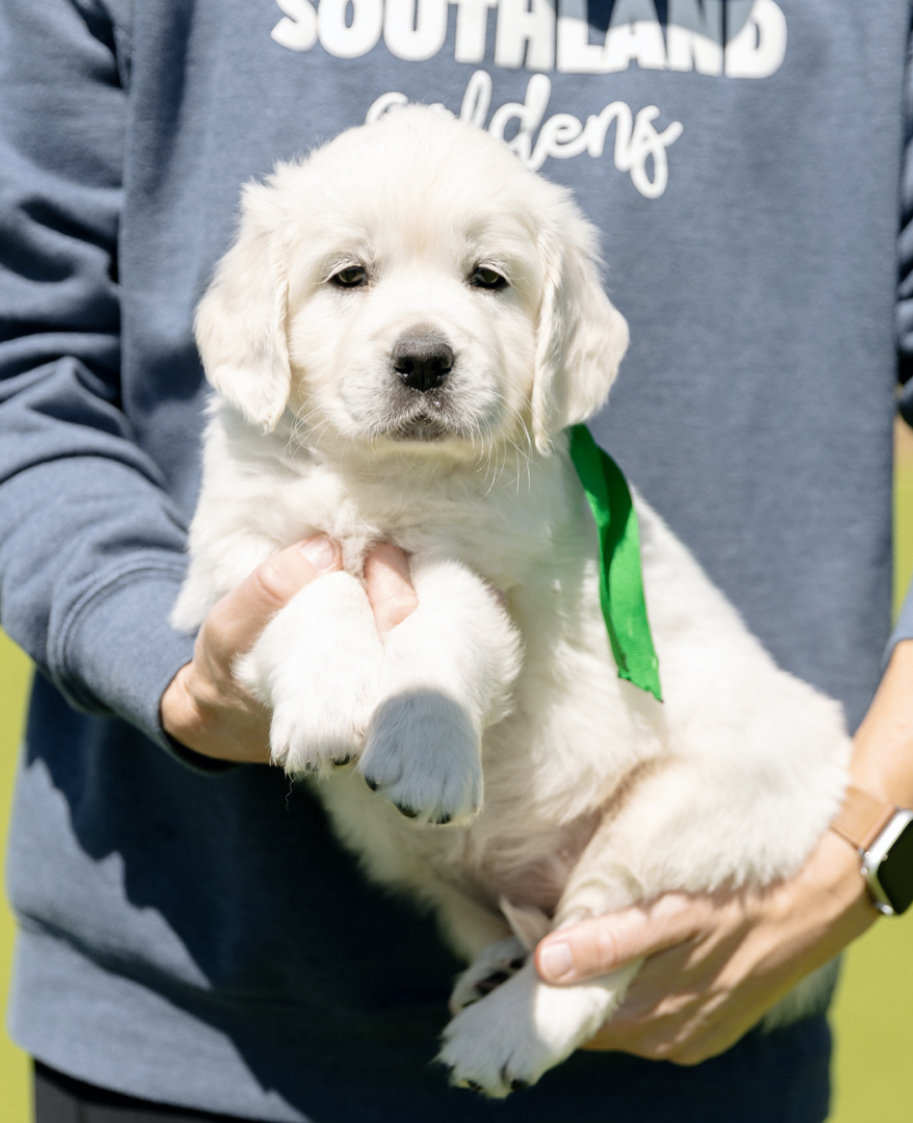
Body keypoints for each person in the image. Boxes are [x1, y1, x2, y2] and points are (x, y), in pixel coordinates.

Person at [1, 1, 911, 1120]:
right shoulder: (259, 434)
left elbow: (465, 606)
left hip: (711, 994)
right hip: (185, 1025)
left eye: (488, 278)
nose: (424, 341)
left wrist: (868, 841)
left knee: (734, 759)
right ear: (266, 315)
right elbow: (23, 359)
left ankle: (569, 975)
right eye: (348, 277)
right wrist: (186, 672)